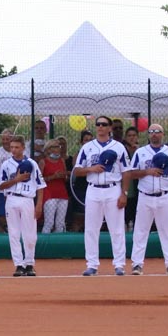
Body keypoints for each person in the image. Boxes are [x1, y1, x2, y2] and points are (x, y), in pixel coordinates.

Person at [72, 116, 128, 276]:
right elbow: (77, 170)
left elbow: (126, 171)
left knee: (116, 228)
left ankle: (119, 264)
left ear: (110, 128)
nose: (100, 127)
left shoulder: (119, 147)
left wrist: (124, 193)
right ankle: (92, 264)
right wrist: (91, 169)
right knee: (91, 228)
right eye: (98, 124)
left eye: (104, 124)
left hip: (113, 188)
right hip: (93, 188)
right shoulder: (88, 147)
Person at [126, 123, 168, 275]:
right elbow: (132, 173)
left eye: (158, 132)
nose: (155, 134)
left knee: (167, 231)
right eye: (152, 132)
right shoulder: (140, 152)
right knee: (140, 231)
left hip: (164, 195)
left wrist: (164, 174)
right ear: (148, 134)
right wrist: (148, 172)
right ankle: (137, 264)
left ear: (163, 134)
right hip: (145, 195)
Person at [0, 135, 45, 277]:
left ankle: (29, 263)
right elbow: (1, 184)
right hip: (11, 198)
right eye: (12, 147)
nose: (14, 150)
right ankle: (18, 264)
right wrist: (16, 179)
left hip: (27, 199)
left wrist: (39, 205)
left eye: (17, 147)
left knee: (30, 234)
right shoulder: (6, 164)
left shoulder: (32, 163)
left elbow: (40, 185)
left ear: (23, 148)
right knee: (14, 233)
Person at [39, 137, 70, 233]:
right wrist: (53, 177)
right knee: (49, 222)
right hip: (49, 194)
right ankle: (44, 244)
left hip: (62, 193)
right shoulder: (43, 162)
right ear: (49, 149)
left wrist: (64, 175)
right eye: (56, 146)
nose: (59, 148)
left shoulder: (61, 160)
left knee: (60, 223)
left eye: (59, 146)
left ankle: (60, 244)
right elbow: (39, 180)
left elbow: (66, 178)